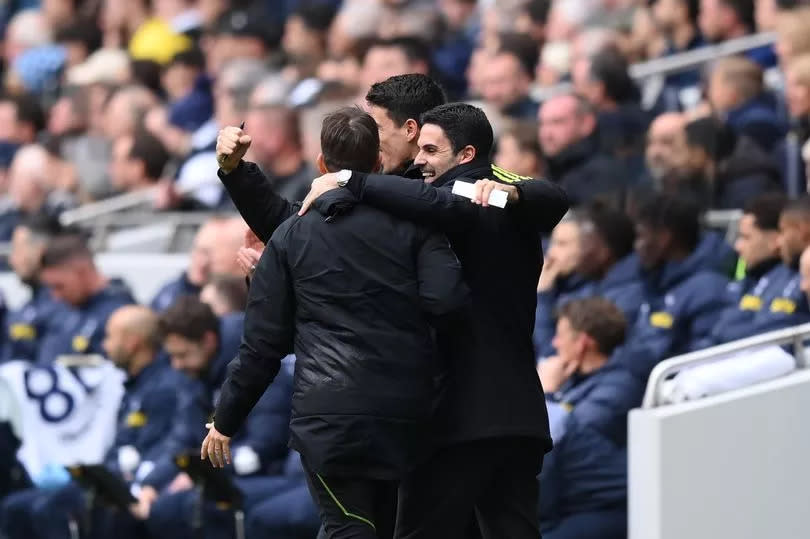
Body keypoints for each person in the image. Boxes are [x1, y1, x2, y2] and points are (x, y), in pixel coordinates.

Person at [291, 103, 569, 538]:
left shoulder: (462, 199)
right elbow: (547, 195)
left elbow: (547, 196)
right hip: (520, 418)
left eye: (431, 149)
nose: (418, 160)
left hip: (457, 417)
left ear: (466, 155)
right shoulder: (504, 199)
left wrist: (348, 179)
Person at [205, 106, 470, 538]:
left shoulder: (293, 235)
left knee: (349, 528)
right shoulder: (416, 226)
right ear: (379, 162)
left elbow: (262, 346)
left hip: (330, 420)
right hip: (407, 413)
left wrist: (226, 420)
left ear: (322, 166)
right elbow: (448, 301)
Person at [0, 305, 206, 539]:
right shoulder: (133, 385)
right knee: (16, 506)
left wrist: (148, 483)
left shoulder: (172, 387)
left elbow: (175, 443)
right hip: (116, 479)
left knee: (53, 508)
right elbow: (122, 443)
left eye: (110, 337)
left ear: (132, 342)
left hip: (146, 485)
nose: (104, 346)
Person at [143, 296, 294, 539]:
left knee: (189, 505)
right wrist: (151, 484)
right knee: (157, 504)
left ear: (209, 341)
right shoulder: (195, 377)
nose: (176, 365)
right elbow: (181, 439)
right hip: (220, 473)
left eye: (182, 355)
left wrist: (202, 476)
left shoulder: (255, 368)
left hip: (269, 475)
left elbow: (266, 443)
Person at [537, 298, 643, 539]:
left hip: (608, 507)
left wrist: (547, 394)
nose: (555, 343)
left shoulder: (619, 387)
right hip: (570, 498)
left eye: (561, 336)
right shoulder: (573, 376)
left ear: (583, 343)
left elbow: (564, 433)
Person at [619, 194, 733, 379]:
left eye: (640, 236)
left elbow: (702, 360)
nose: (636, 246)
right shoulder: (650, 281)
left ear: (664, 238)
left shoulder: (708, 289)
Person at [36, 234, 135, 364]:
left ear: (82, 272)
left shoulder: (120, 314)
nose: (56, 296)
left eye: (59, 286)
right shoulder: (64, 308)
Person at [538, 93, 624, 206]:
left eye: (557, 122)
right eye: (542, 124)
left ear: (586, 124)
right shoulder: (551, 169)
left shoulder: (604, 172)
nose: (546, 134)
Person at [2, 216, 66, 362]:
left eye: (18, 250)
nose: (12, 259)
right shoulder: (26, 306)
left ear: (39, 251)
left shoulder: (64, 305)